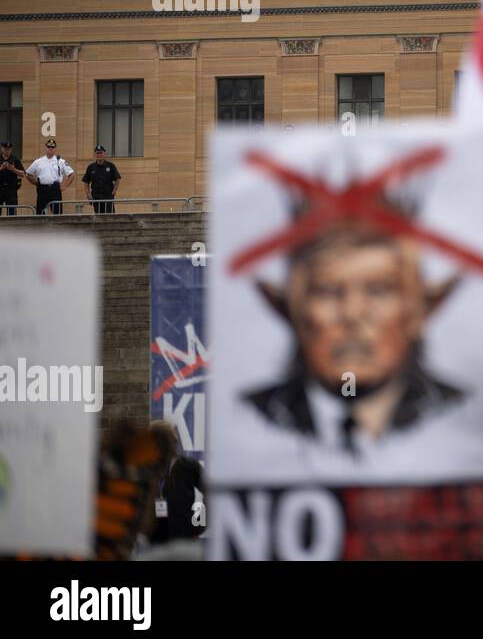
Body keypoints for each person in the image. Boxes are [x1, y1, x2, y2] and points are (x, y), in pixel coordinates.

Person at [245, 224, 466, 455]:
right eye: (328, 291)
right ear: (297, 312)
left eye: (378, 290)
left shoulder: (460, 411)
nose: (352, 314)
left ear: (414, 313)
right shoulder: (246, 415)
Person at [146, 420, 205, 544]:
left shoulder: (188, 466)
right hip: (156, 543)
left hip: (184, 540)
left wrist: (199, 525)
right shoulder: (148, 470)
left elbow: (212, 493)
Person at [25, 138, 75, 215]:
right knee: (41, 214)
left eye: (53, 147)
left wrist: (65, 186)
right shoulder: (38, 161)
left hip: (55, 190)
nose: (50, 148)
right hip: (42, 189)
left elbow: (71, 174)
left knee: (57, 214)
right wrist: (36, 183)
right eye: (49, 147)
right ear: (45, 148)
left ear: (55, 149)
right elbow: (28, 174)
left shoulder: (61, 161)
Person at [82, 144, 121, 214]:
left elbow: (117, 179)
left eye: (101, 153)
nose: (99, 155)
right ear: (95, 154)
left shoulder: (110, 166)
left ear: (104, 154)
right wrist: (88, 194)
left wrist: (114, 190)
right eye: (97, 153)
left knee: (110, 217)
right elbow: (85, 182)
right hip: (96, 197)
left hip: (108, 196)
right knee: (99, 218)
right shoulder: (91, 167)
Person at [0, 141, 24, 215]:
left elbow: (23, 174)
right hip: (0, 187)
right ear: (1, 148)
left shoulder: (15, 159)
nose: (7, 151)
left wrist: (13, 169)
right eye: (5, 149)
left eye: (9, 149)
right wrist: (1, 168)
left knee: (12, 212)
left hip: (11, 189)